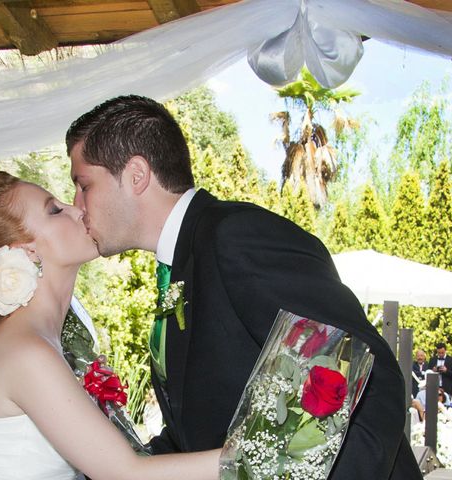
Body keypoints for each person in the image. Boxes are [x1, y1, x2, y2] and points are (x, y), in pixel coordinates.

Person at [66, 95, 422, 479]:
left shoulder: (235, 237)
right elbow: (200, 433)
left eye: (83, 184)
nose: (76, 203)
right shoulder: (182, 264)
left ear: (136, 175)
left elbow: (367, 375)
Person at [0, 172, 220, 480]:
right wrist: (256, 455)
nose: (77, 209)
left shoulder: (47, 340)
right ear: (26, 251)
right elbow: (126, 473)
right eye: (54, 210)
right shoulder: (24, 352)